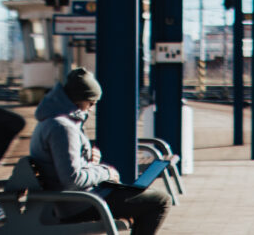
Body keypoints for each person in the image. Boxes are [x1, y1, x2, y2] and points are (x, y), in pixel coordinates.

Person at [31, 68, 170, 235]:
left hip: (75, 199)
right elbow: (72, 179)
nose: (91, 109)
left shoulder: (53, 121)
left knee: (144, 198)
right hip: (79, 204)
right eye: (91, 103)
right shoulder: (62, 128)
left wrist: (90, 161)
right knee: (160, 200)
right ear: (79, 99)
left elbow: (66, 169)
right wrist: (106, 172)